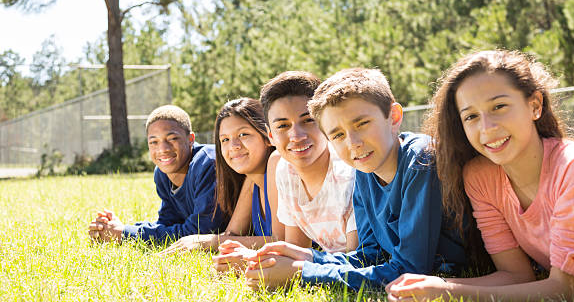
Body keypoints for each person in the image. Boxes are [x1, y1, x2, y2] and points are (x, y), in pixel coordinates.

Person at [386, 50, 574, 301]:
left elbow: (564, 290)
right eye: (471, 116)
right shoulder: (480, 177)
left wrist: (448, 293)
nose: (487, 128)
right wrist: (435, 285)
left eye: (499, 106)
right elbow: (516, 275)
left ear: (535, 105)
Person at [243, 68, 466, 290]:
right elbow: (369, 257)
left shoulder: (421, 160)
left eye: (361, 124)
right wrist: (306, 256)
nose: (353, 143)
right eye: (338, 135)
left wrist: (303, 273)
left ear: (394, 117)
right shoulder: (365, 170)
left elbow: (410, 269)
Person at [213, 71, 358, 271]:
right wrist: (254, 259)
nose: (296, 135)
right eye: (283, 125)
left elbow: (359, 264)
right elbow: (293, 251)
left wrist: (292, 270)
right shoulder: (286, 171)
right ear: (271, 135)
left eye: (308, 120)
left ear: (326, 123)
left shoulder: (349, 173)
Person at [88, 105, 226, 243]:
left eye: (172, 138)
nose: (163, 149)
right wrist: (117, 228)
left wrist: (124, 234)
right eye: (154, 142)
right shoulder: (161, 173)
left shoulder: (207, 163)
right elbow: (167, 223)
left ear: (190, 139)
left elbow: (202, 232)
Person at [160, 98, 282, 255]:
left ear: (267, 136)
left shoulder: (279, 168)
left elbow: (282, 242)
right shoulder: (252, 181)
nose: (233, 146)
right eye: (225, 139)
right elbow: (232, 234)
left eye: (243, 134)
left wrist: (208, 241)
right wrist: (198, 241)